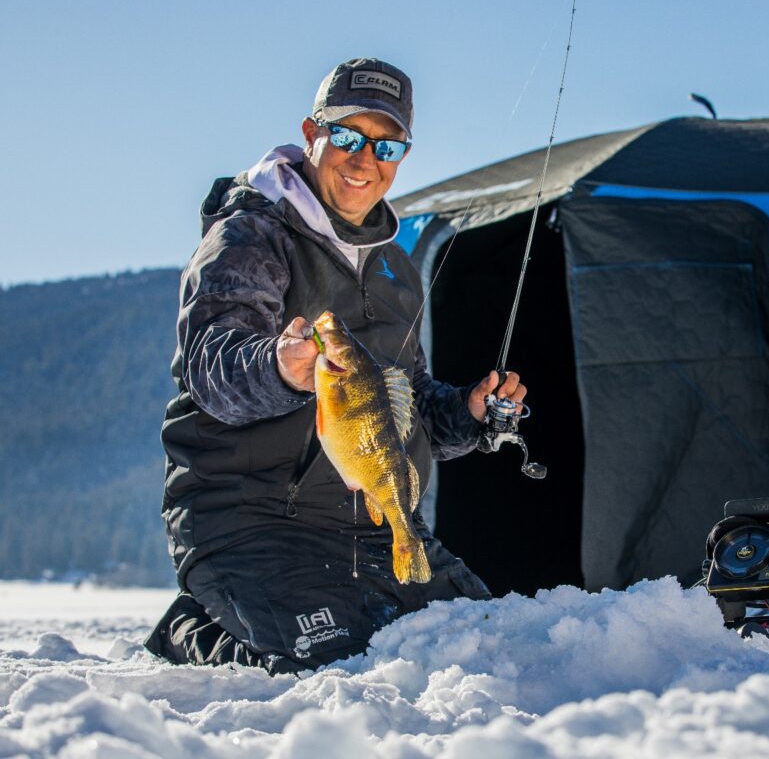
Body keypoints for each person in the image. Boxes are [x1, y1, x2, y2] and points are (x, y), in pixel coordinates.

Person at [144, 58, 526, 674]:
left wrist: (470, 414)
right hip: (250, 519)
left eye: (387, 145)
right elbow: (210, 366)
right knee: (329, 667)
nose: (363, 159)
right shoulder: (249, 236)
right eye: (347, 136)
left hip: (374, 523)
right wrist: (280, 368)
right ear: (311, 132)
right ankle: (190, 631)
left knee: (487, 646)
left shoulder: (396, 270)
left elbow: (407, 406)